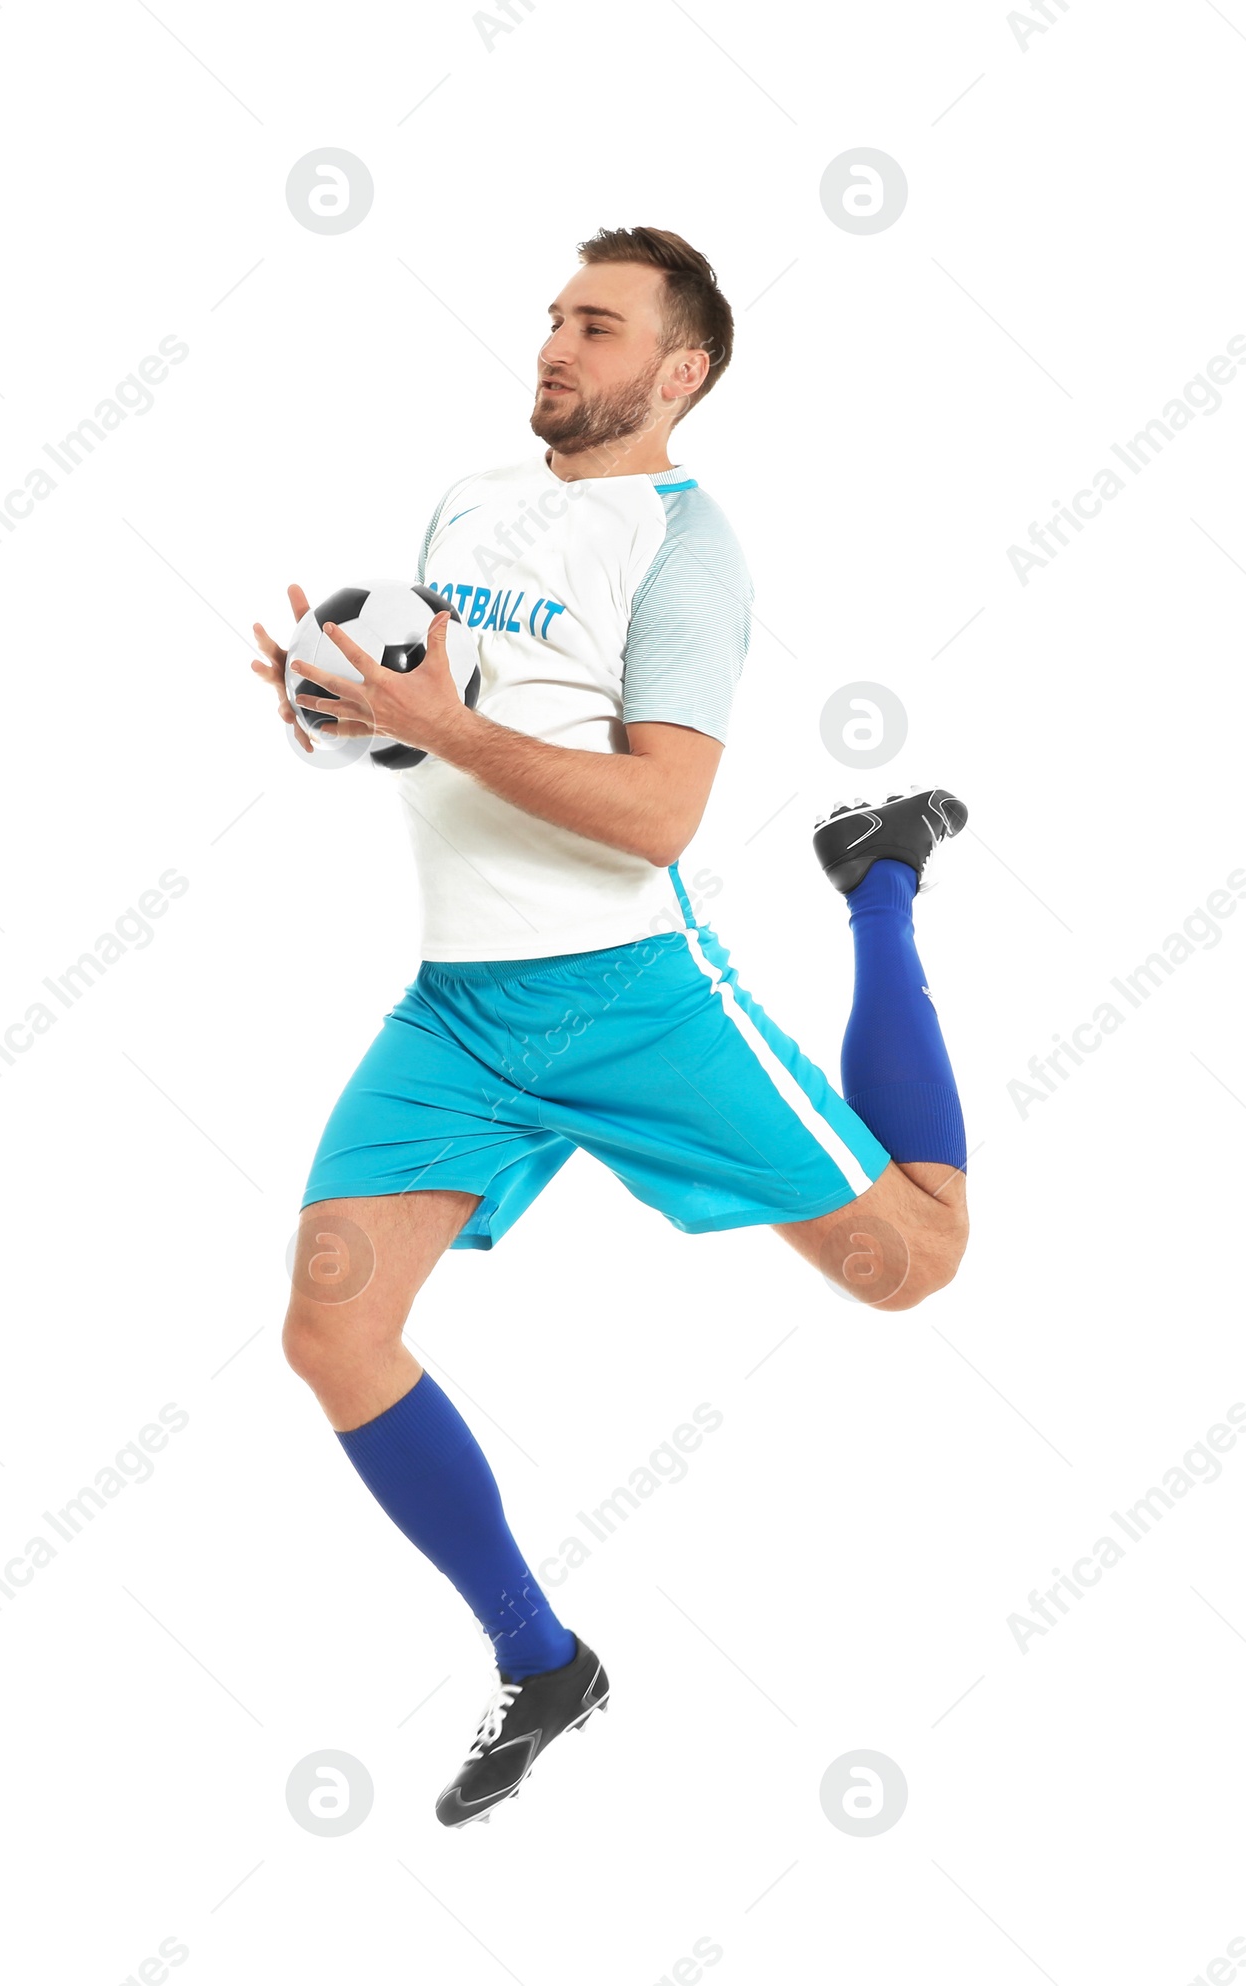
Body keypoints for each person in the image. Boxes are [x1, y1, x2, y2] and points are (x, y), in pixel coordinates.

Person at [251, 226, 969, 1828]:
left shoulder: (688, 548)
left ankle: (879, 883)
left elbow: (658, 810)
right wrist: (336, 702)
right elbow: (431, 711)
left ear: (681, 371)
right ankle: (544, 1657)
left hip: (631, 996)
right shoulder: (466, 501)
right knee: (330, 1327)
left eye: (597, 326)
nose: (557, 348)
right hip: (458, 1016)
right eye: (554, 318)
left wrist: (431, 719)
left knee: (913, 1265)